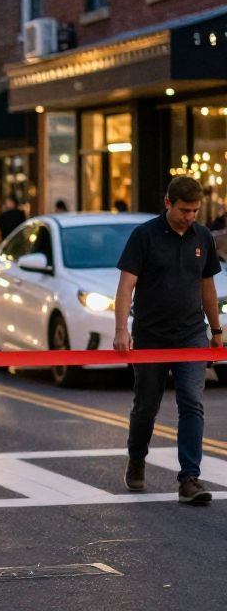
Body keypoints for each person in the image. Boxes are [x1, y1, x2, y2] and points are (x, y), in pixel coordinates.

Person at [114, 175, 222, 505]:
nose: (190, 217)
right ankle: (136, 458)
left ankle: (189, 478)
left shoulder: (202, 236)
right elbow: (126, 286)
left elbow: (208, 287)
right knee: (146, 406)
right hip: (150, 336)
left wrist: (216, 332)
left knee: (191, 401)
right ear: (168, 203)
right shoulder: (144, 236)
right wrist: (122, 329)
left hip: (191, 335)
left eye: (195, 211)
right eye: (184, 210)